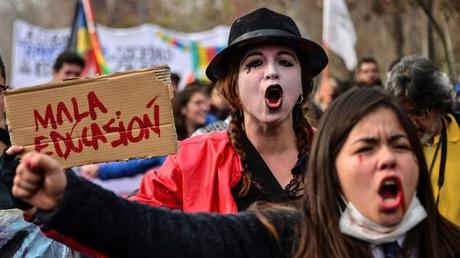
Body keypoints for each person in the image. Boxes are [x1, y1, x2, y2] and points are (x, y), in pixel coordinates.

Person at [11, 87, 460, 258]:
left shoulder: (450, 243)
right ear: (334, 170)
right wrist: (68, 198)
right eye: (366, 147)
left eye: (399, 145)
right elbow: (156, 231)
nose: (386, 158)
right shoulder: (295, 236)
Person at [130, 7, 327, 212]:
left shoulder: (333, 154)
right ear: (233, 86)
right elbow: (133, 222)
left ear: (302, 85)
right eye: (255, 62)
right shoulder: (192, 158)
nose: (271, 72)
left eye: (285, 62)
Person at [386, 55, 460, 227]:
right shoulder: (386, 148)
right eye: (403, 114)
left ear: (440, 105)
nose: (410, 123)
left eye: (419, 113)